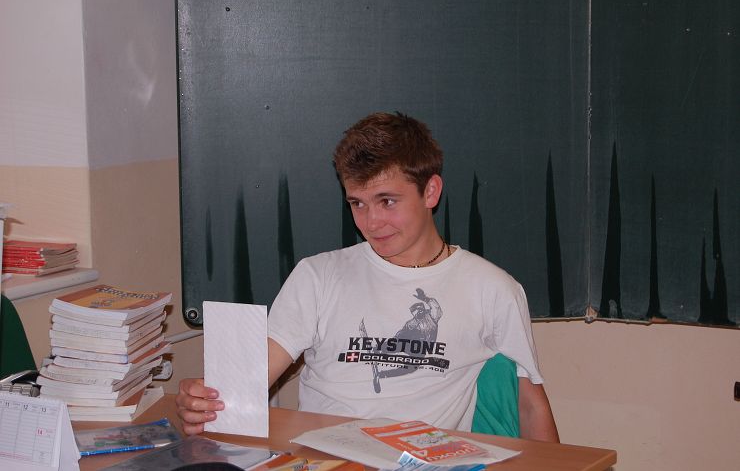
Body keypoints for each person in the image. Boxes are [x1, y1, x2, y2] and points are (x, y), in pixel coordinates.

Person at [176, 112, 559, 442]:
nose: (371, 222)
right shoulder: (318, 276)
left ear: (430, 191)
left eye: (387, 201)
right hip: (320, 459)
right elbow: (246, 382)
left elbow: (530, 406)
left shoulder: (492, 289)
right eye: (357, 203)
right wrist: (202, 400)